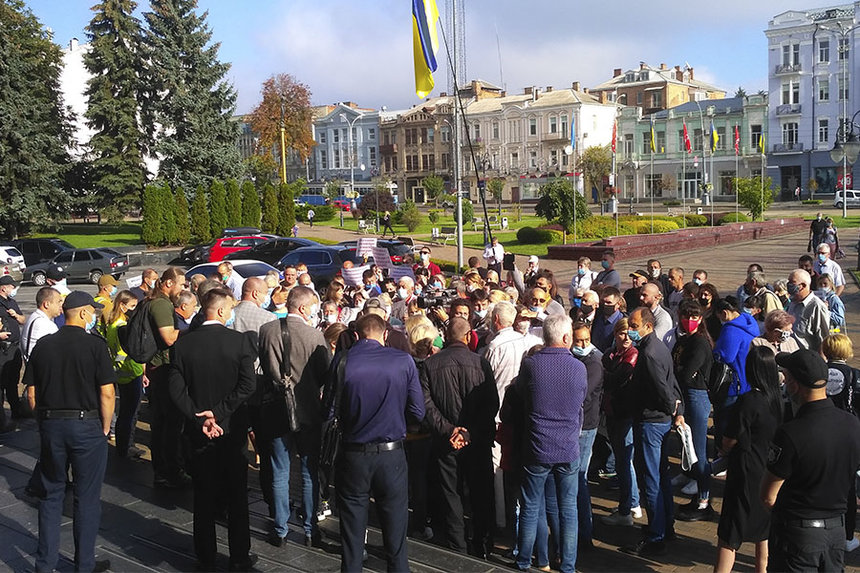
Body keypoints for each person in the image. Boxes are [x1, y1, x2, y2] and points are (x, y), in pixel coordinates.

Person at [167, 287, 258, 572]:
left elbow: (176, 390)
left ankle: (205, 555)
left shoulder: (182, 345)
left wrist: (200, 418)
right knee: (236, 495)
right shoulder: (239, 342)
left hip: (198, 432)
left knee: (203, 495)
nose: (231, 314)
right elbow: (248, 385)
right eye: (230, 309)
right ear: (220, 311)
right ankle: (240, 556)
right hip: (231, 431)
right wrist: (218, 415)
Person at [25, 291, 116, 573]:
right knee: (87, 498)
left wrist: (44, 422)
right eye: (94, 312)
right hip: (86, 425)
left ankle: (45, 564)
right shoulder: (95, 346)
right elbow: (107, 393)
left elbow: (31, 394)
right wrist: (104, 426)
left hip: (52, 424)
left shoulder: (43, 346)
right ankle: (84, 565)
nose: (95, 317)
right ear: (84, 313)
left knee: (51, 496)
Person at [332, 313, 425, 572]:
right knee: (396, 538)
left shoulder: (343, 360)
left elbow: (328, 411)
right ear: (385, 334)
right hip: (391, 453)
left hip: (353, 453)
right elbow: (418, 411)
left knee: (351, 537)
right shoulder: (403, 361)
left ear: (356, 335)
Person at [762, 350, 860, 572]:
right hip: (836, 532)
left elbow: (768, 496)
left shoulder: (790, 433)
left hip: (798, 535)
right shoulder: (852, 424)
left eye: (786, 378)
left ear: (795, 385)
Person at [507, 314, 587, 573]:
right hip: (567, 447)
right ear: (566, 337)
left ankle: (523, 561)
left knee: (531, 506)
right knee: (568, 510)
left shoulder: (531, 365)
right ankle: (569, 565)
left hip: (537, 446)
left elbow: (521, 394)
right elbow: (580, 403)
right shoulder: (578, 367)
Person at [258, 286, 331, 548]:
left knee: (280, 470)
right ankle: (311, 530)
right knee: (309, 472)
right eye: (312, 307)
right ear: (303, 308)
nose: (314, 311)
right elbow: (326, 376)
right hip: (309, 411)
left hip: (276, 409)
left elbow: (266, 368)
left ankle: (280, 529)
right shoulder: (315, 337)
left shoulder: (266, 331)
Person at [421, 317, 498, 557]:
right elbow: (491, 404)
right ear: (467, 337)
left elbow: (425, 405)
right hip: (475, 441)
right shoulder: (480, 363)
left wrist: (448, 430)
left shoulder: (430, 364)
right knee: (480, 493)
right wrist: (468, 431)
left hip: (447, 442)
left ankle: (458, 544)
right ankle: (483, 544)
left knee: (451, 493)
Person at [714, 346, 783, 573]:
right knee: (763, 531)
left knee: (730, 532)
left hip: (744, 469)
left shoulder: (748, 400)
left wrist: (726, 449)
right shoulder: (778, 400)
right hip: (767, 468)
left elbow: (729, 440)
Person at [623, 307, 683, 557]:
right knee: (660, 474)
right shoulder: (659, 348)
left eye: (635, 326)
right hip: (658, 420)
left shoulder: (648, 353)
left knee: (651, 480)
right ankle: (666, 526)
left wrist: (670, 408)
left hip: (651, 421)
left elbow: (662, 387)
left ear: (648, 326)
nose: (630, 331)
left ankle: (655, 534)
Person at [481, 301, 541, 536]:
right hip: (519, 410)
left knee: (497, 464)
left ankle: (500, 518)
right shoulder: (526, 342)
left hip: (498, 411)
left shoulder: (495, 346)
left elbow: (485, 380)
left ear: (496, 320)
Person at [146, 267, 190, 489]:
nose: (183, 289)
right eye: (181, 284)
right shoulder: (162, 304)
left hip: (159, 369)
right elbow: (169, 337)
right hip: (162, 369)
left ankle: (165, 470)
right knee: (169, 424)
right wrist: (193, 329)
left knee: (164, 423)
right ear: (169, 283)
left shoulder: (157, 302)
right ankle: (168, 470)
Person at [671, 300, 715, 522]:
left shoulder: (699, 343)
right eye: (685, 316)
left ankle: (704, 500)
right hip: (685, 396)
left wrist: (677, 371)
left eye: (694, 316)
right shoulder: (684, 341)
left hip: (697, 397)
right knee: (688, 450)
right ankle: (698, 496)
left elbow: (685, 373)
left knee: (698, 451)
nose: (689, 321)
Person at [600, 318, 642, 527]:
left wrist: (603, 373)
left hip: (625, 412)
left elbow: (617, 378)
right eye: (621, 333)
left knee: (625, 460)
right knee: (622, 460)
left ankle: (629, 505)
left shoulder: (632, 355)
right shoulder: (610, 353)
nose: (626, 338)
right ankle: (631, 501)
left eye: (629, 333)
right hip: (612, 410)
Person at [820, 334, 859, 551]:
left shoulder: (819, 373)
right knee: (848, 486)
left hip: (821, 430)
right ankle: (847, 535)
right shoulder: (854, 374)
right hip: (847, 431)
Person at [570, 322, 604, 550]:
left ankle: (585, 532)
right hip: (577, 423)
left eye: (585, 340)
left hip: (587, 424)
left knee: (579, 477)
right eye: (578, 340)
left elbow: (583, 394)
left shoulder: (593, 362)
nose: (582, 344)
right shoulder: (575, 359)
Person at [104, 290, 146, 459]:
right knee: (130, 413)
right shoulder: (122, 327)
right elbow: (124, 352)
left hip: (124, 372)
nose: (134, 310)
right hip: (130, 372)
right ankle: (126, 446)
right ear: (122, 306)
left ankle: (125, 445)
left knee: (126, 412)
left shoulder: (113, 324)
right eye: (132, 306)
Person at [0, 275, 24, 427]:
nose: (13, 289)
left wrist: (16, 316)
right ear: (3, 287)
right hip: (3, 350)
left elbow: (23, 320)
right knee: (1, 383)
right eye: (11, 287)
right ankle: (1, 420)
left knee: (13, 382)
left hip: (15, 348)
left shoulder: (12, 302)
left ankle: (17, 411)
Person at [786, 269, 830, 352]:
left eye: (792, 282)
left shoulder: (817, 306)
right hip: (791, 356)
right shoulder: (792, 302)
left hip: (807, 358)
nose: (789, 285)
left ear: (802, 285)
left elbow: (824, 340)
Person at [20, 287, 62, 363]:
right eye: (58, 302)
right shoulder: (44, 324)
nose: (61, 306)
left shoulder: (34, 317)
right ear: (46, 304)